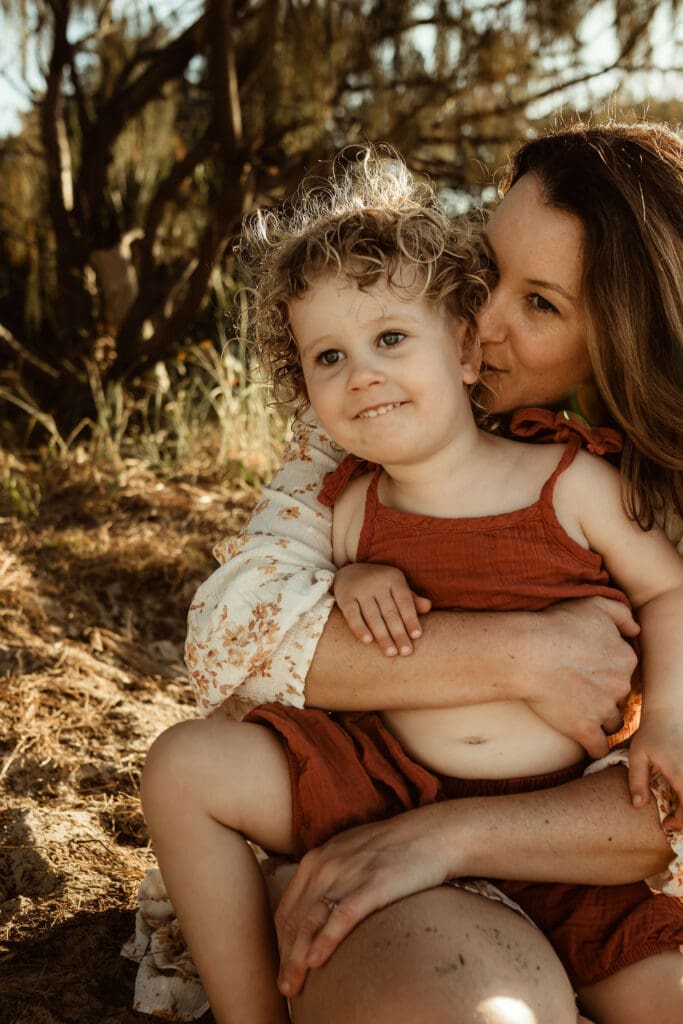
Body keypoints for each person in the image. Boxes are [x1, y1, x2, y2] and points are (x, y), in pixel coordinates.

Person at [147, 122, 683, 1024]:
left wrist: (662, 717)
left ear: (630, 338)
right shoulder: (370, 430)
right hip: (388, 796)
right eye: (486, 268)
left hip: (584, 852)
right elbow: (232, 632)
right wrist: (514, 651)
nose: (480, 318)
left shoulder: (585, 481)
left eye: (540, 303)